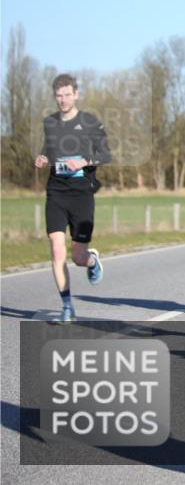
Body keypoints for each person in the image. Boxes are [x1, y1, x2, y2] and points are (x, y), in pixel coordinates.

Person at [35, 73, 111, 323]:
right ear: (54, 97)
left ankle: (91, 261)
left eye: (67, 94)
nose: (63, 100)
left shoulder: (90, 122)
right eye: (58, 95)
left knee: (78, 256)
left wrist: (83, 161)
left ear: (76, 94)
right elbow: (50, 148)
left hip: (81, 193)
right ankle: (67, 307)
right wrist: (44, 158)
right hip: (56, 191)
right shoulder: (50, 123)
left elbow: (106, 155)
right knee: (57, 251)